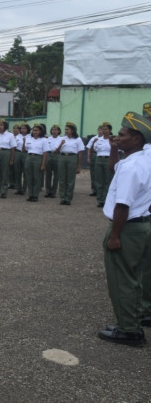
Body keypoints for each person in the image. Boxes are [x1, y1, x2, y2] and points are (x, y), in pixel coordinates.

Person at [97, 112, 151, 346]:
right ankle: (133, 320)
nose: (117, 138)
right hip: (142, 225)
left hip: (127, 228)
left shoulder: (132, 167)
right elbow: (115, 167)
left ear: (137, 139)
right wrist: (113, 149)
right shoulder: (143, 160)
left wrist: (115, 235)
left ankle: (128, 330)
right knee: (135, 277)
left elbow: (123, 204)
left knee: (122, 280)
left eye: (122, 134)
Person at [55, 121, 85, 206]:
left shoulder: (78, 139)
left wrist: (79, 166)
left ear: (72, 130)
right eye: (65, 129)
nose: (66, 131)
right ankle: (62, 198)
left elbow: (80, 154)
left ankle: (68, 198)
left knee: (70, 179)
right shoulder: (62, 138)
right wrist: (61, 144)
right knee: (62, 179)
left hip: (72, 158)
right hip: (62, 157)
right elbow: (56, 151)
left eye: (67, 129)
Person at [91, 122, 113, 208]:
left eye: (106, 129)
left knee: (107, 181)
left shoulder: (112, 139)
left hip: (109, 159)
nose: (104, 131)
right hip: (99, 160)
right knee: (99, 181)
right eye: (103, 129)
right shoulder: (98, 140)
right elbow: (94, 149)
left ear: (110, 130)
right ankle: (100, 200)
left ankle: (106, 199)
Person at [23, 124, 46, 202]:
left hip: (38, 158)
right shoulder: (29, 139)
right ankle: (30, 195)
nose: (35, 132)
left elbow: (45, 153)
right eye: (34, 130)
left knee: (37, 177)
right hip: (29, 157)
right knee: (29, 177)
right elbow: (24, 149)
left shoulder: (43, 140)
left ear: (40, 131)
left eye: (37, 130)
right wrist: (24, 142)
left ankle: (35, 195)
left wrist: (43, 164)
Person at [44, 124, 62, 198]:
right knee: (48, 174)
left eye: (56, 130)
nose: (54, 131)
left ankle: (53, 192)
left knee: (56, 175)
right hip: (49, 155)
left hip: (57, 155)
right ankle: (48, 191)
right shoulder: (48, 139)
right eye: (53, 130)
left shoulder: (61, 139)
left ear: (59, 131)